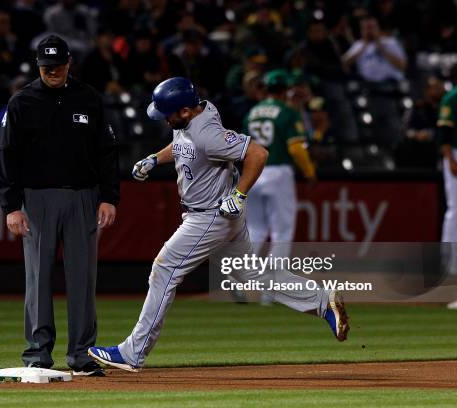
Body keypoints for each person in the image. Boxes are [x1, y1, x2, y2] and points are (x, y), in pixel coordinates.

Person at [87, 77, 349, 372]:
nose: (164, 119)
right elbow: (182, 145)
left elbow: (258, 154)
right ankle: (321, 300)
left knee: (165, 268)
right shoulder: (195, 115)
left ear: (185, 111)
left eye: (168, 114)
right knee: (253, 275)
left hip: (210, 215)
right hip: (216, 213)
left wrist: (239, 193)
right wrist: (154, 158)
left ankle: (132, 353)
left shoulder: (206, 133)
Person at [0, 35, 120, 375]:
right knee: (38, 279)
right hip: (36, 199)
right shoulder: (22, 102)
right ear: (39, 67)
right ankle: (38, 352)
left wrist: (109, 196)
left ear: (69, 64)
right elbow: (5, 156)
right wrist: (11, 205)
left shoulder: (88, 98)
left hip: (82, 196)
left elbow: (107, 152)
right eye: (46, 66)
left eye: (58, 65)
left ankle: (82, 355)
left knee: (82, 279)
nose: (52, 71)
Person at [243, 70, 317, 302]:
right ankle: (270, 293)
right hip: (278, 172)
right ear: (285, 90)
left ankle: (237, 283)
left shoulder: (251, 113)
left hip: (252, 173)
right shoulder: (287, 112)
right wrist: (309, 172)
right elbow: (296, 148)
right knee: (281, 233)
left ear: (265, 89)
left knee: (254, 231)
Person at [437, 80, 457, 310]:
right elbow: (444, 132)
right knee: (456, 210)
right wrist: (450, 159)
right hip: (456, 153)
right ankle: (449, 267)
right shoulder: (453, 97)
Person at [342, 15, 406, 83]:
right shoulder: (358, 45)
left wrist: (382, 49)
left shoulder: (390, 42)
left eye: (372, 27)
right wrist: (363, 47)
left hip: (391, 84)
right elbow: (344, 63)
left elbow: (403, 66)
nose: (369, 31)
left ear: (378, 28)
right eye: (366, 28)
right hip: (367, 86)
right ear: (361, 30)